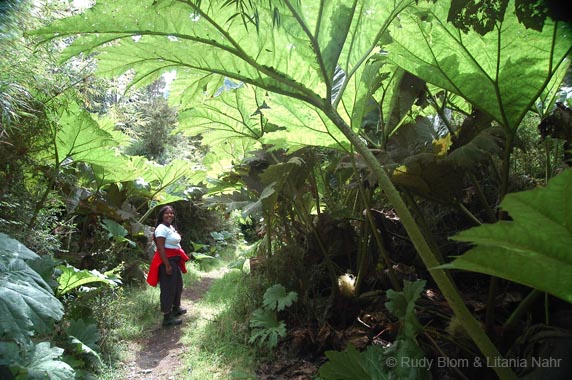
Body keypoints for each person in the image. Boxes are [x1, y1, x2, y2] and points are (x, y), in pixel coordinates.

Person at [146, 205, 190, 327]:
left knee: (177, 286)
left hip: (174, 260)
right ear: (162, 215)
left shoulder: (170, 227)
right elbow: (160, 248)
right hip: (167, 261)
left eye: (171, 213)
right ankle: (167, 317)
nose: (169, 215)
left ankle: (176, 308)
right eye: (167, 213)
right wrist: (167, 265)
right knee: (168, 289)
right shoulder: (161, 229)